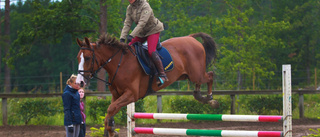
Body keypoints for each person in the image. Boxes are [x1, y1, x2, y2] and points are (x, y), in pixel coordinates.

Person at [120, 0, 168, 86]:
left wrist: (131, 35)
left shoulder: (145, 6)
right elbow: (127, 23)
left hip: (153, 30)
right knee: (128, 49)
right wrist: (122, 38)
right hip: (142, 32)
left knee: (151, 51)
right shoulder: (130, 8)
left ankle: (162, 74)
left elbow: (142, 23)